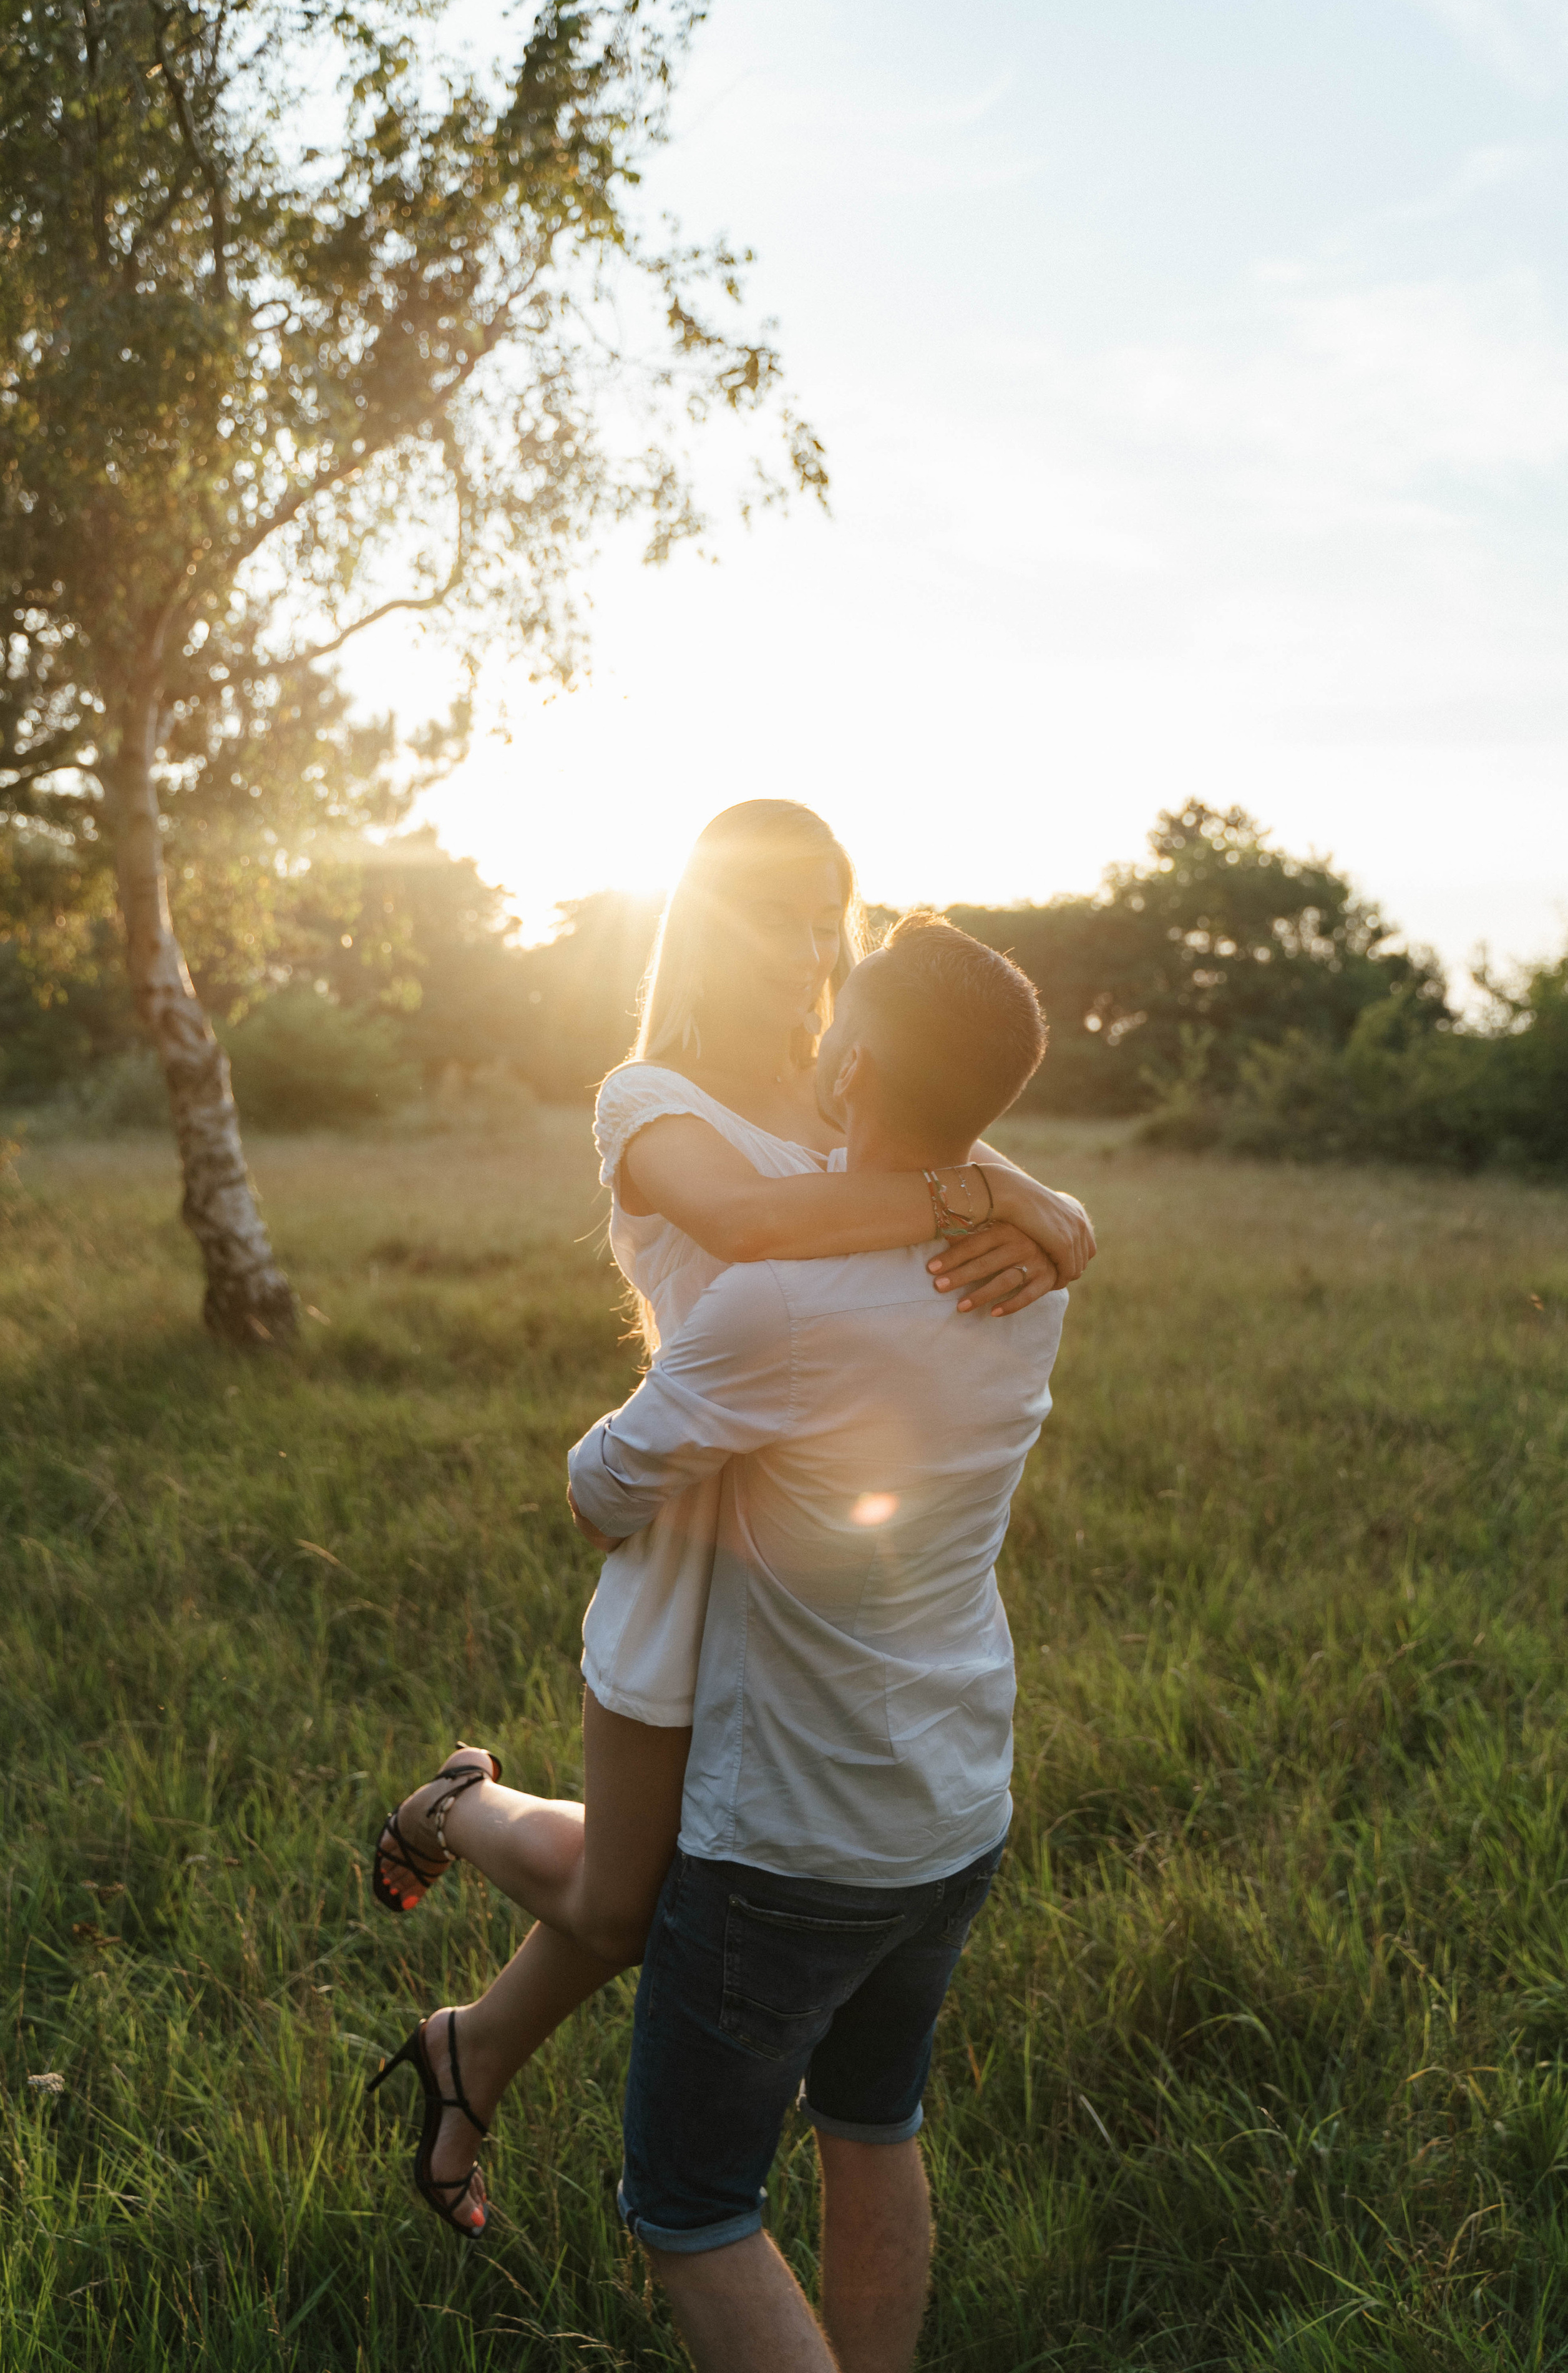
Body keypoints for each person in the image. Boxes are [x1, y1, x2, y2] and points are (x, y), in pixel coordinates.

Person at [367, 801, 1093, 2237]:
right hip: (688, 1531)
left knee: (678, 1911)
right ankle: (457, 1806)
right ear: (699, 917)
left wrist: (1060, 1214)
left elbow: (984, 1175)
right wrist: (988, 1193)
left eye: (826, 911)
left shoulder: (843, 1088)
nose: (807, 942)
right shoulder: (647, 1099)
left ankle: (466, 2054)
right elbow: (757, 1231)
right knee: (632, 1911)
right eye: (771, 910)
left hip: (809, 1551)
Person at [565, 912, 1066, 2372]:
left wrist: (672, 1396)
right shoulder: (1022, 1276)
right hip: (955, 1804)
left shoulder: (770, 1305)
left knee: (692, 2207)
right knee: (871, 2129)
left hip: (789, 1837)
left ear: (846, 1061)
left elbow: (601, 1495)